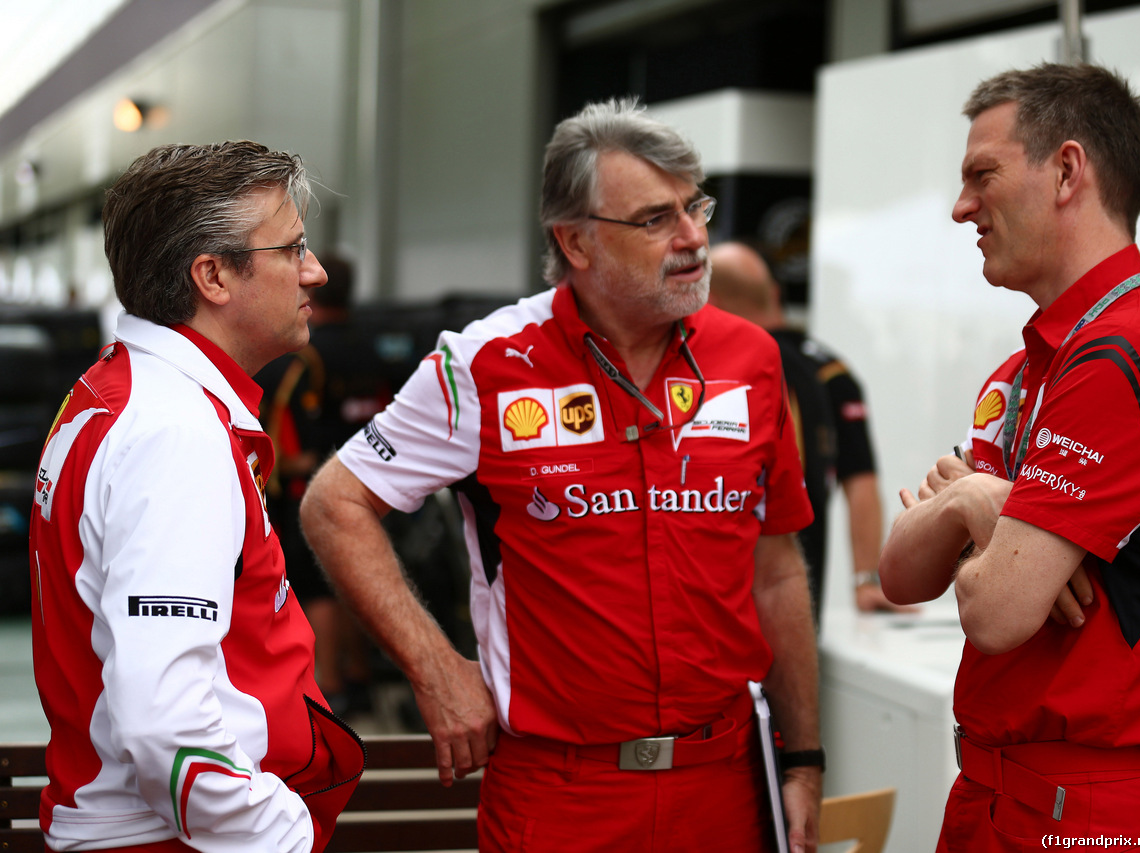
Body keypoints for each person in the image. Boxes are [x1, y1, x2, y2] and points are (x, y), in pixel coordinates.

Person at [300, 98, 822, 852]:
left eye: (695, 206)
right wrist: (437, 666)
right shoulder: (484, 361)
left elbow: (775, 573)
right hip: (560, 792)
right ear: (575, 242)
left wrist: (803, 758)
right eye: (654, 219)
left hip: (725, 782)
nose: (693, 238)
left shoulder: (754, 357)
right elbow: (334, 502)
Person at [878, 64, 1140, 851]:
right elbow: (900, 572)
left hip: (1093, 812)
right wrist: (976, 502)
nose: (961, 206)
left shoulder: (1135, 352)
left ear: (1067, 170)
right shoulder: (1027, 369)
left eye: (982, 175)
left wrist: (974, 502)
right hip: (997, 798)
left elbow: (995, 610)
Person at [28, 141, 365, 852]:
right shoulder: (173, 433)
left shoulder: (119, 393)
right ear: (211, 274)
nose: (317, 271)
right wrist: (282, 837)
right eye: (293, 248)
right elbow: (165, 725)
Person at [708, 241, 914, 618]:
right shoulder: (831, 369)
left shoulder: (716, 368)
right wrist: (865, 581)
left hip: (728, 600)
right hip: (802, 598)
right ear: (774, 293)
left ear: (712, 301)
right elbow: (862, 482)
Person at [259, 253, 386, 715]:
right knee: (360, 578)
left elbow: (281, 433)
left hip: (313, 490)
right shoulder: (376, 350)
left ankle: (327, 689)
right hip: (377, 485)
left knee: (317, 589)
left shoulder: (300, 356)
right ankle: (360, 676)